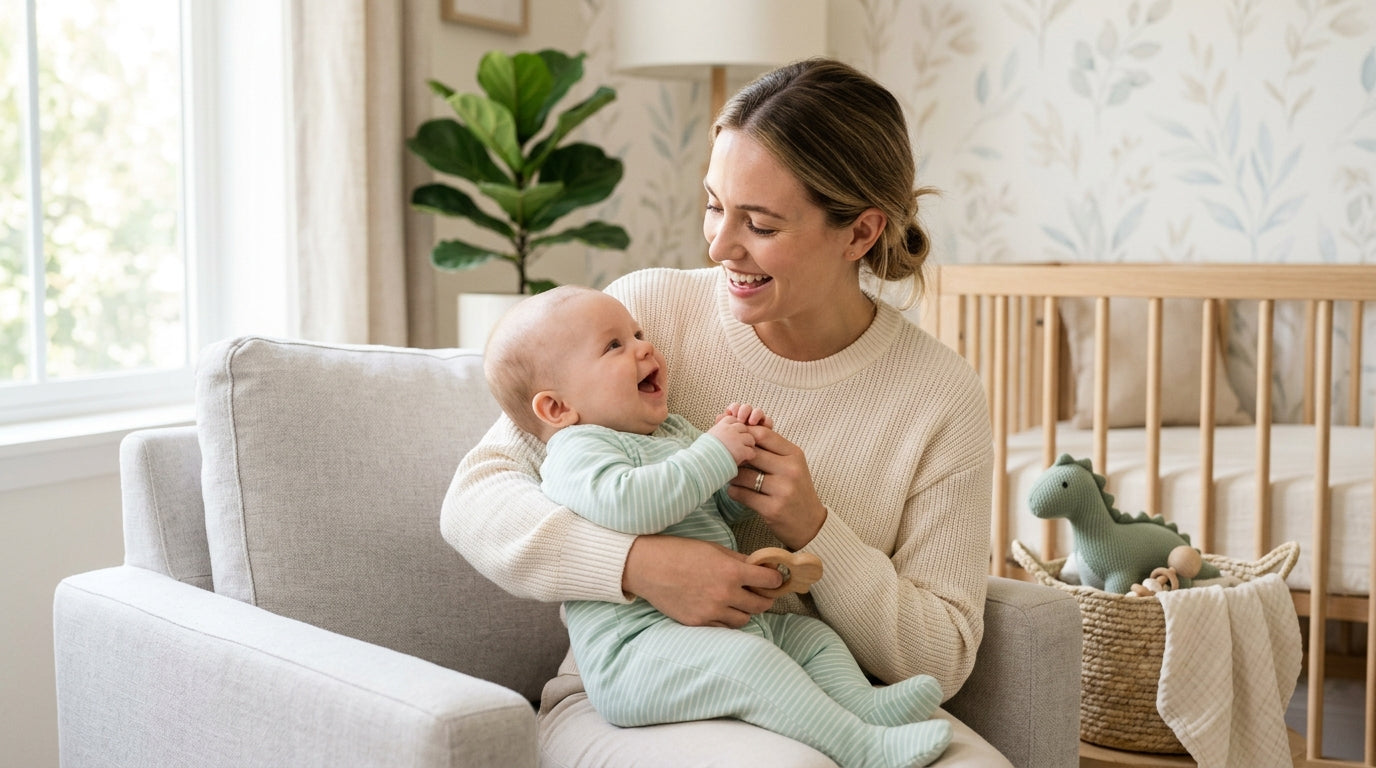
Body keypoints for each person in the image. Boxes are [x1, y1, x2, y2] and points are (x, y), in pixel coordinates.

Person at [442, 57, 1003, 766]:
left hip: (833, 689)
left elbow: (942, 657)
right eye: (714, 206)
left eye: (759, 223)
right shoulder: (641, 319)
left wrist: (815, 528)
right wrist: (639, 565)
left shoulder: (940, 394)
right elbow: (475, 501)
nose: (718, 246)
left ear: (860, 234)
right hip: (644, 693)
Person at [480, 284, 951, 768]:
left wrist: (742, 477)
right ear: (557, 409)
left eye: (637, 334)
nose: (644, 347)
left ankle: (863, 706)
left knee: (811, 640)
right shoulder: (577, 451)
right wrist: (714, 453)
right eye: (614, 345)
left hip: (721, 633)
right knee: (753, 664)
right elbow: (632, 506)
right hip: (637, 656)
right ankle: (862, 748)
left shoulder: (669, 432)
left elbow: (712, 509)